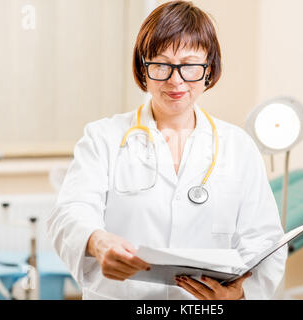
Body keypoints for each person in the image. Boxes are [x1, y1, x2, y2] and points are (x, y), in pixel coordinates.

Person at [47, 0, 286, 300]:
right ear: (143, 69)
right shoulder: (103, 138)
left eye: (189, 66)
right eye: (161, 64)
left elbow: (264, 241)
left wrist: (239, 296)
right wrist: (96, 242)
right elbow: (70, 212)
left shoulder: (239, 147)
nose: (176, 80)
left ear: (209, 69)